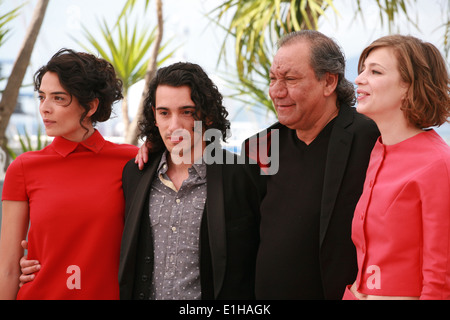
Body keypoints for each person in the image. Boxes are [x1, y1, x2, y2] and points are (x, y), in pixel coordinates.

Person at [242, 30, 380, 299]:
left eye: (290, 79)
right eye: (273, 79)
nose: (276, 91)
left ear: (329, 82)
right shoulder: (259, 147)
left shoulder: (371, 137)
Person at [0, 49, 138, 299]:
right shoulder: (23, 168)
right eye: (42, 97)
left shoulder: (130, 161)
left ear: (91, 106)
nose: (45, 108)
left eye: (58, 98)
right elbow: (8, 269)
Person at [118, 62, 261, 300]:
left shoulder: (242, 175)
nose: (174, 126)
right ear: (154, 115)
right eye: (164, 113)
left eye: (187, 112)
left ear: (208, 114)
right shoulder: (136, 173)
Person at [344, 35, 450, 300]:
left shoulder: (438, 164)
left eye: (376, 71)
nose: (358, 79)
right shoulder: (377, 151)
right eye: (362, 70)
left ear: (408, 86)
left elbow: (441, 279)